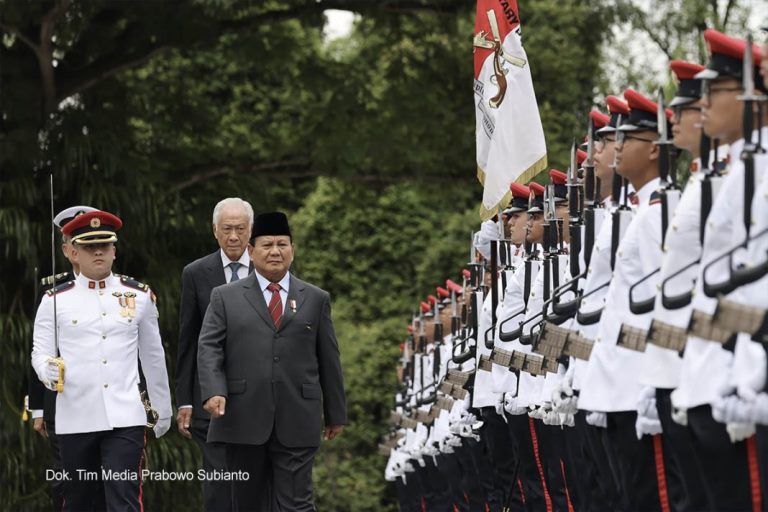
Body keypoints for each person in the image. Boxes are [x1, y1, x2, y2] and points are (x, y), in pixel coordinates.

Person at [197, 211, 347, 512]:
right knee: (247, 503)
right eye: (267, 245)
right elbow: (209, 347)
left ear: (293, 249)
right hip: (242, 417)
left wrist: (335, 412)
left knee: (297, 503)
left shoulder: (315, 298)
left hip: (298, 415)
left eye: (282, 244)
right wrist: (214, 390)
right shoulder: (225, 297)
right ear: (251, 252)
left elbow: (328, 357)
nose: (275, 251)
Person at [31, 210, 172, 512]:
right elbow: (39, 353)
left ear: (114, 250)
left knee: (124, 498)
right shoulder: (54, 300)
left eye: (104, 246)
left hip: (125, 416)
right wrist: (47, 369)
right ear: (73, 253)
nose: (98, 252)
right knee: (79, 500)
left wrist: (163, 408)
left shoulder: (138, 295)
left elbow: (153, 355)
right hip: (76, 415)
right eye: (88, 247)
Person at [175, 197, 253, 511]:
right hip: (209, 398)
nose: (233, 236)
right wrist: (185, 399)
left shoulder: (270, 272)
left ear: (250, 231)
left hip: (257, 398)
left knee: (253, 484)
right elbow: (188, 338)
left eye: (240, 229)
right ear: (215, 231)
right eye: (227, 229)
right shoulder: (196, 273)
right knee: (219, 487)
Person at [28, 205, 98, 512]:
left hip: (110, 396)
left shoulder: (122, 289)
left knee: (114, 480)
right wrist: (37, 406)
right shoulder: (50, 289)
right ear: (67, 249)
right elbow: (40, 350)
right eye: (74, 241)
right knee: (66, 481)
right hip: (62, 398)